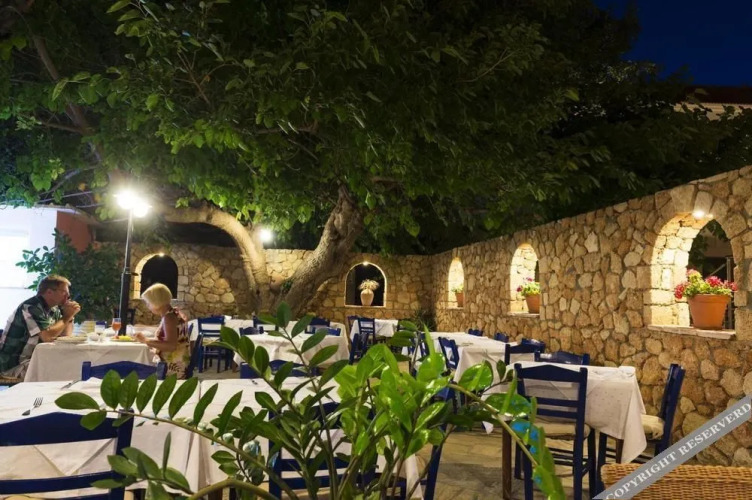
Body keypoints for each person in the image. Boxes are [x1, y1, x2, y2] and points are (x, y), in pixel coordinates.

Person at [0, 275, 81, 380]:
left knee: (73, 366)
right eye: (64, 292)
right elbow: (47, 336)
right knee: (62, 372)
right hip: (15, 365)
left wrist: (70, 316)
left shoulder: (54, 309)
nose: (68, 296)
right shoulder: (29, 307)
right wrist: (66, 316)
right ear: (49, 292)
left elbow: (65, 336)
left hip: (36, 360)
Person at [134, 283, 191, 379]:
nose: (148, 306)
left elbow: (171, 346)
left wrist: (146, 340)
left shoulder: (169, 318)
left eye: (148, 303)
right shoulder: (174, 313)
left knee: (129, 367)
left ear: (156, 302)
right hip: (179, 364)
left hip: (170, 370)